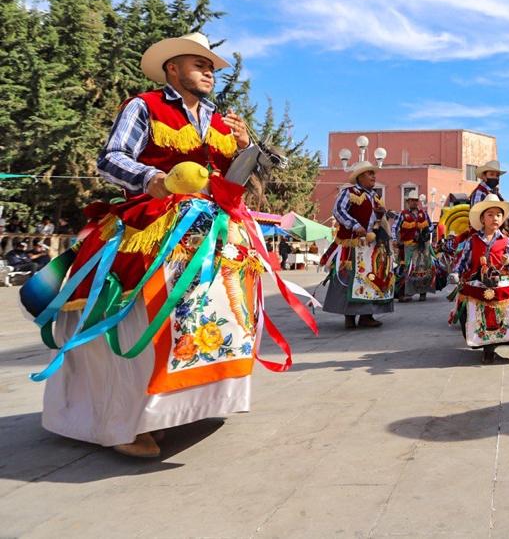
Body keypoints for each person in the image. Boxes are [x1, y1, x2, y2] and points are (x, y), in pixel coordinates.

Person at [21, 32, 317, 458]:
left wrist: (245, 148)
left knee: (220, 316)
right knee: (145, 319)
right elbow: (112, 158)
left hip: (212, 229)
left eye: (212, 66)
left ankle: (187, 408)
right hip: (153, 226)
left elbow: (237, 178)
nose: (209, 72)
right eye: (199, 64)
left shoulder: (220, 119)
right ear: (172, 69)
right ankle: (123, 422)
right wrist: (155, 180)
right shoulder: (144, 105)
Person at [451, 194, 509, 364]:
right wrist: (456, 273)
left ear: (502, 219)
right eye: (490, 214)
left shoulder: (507, 241)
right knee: (478, 316)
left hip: (500, 280)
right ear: (482, 219)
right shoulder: (472, 241)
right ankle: (486, 348)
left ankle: (495, 345)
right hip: (477, 282)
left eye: (498, 215)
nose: (495, 218)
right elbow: (462, 261)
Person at [322, 161, 395, 328]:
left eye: (373, 174)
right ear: (360, 177)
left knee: (369, 278)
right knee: (350, 277)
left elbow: (380, 219)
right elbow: (338, 211)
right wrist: (355, 225)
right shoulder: (349, 192)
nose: (373, 176)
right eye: (370, 173)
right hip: (352, 244)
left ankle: (366, 316)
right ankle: (349, 317)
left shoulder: (376, 197)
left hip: (372, 246)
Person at [393, 191, 434, 302]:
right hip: (409, 246)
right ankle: (408, 292)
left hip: (423, 245)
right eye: (412, 200)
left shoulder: (423, 213)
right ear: (408, 202)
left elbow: (431, 226)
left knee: (424, 268)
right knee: (410, 268)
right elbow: (395, 227)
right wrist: (394, 239)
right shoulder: (403, 214)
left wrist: (426, 233)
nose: (414, 202)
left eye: (416, 200)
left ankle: (423, 292)